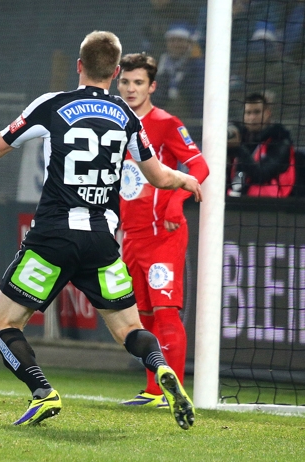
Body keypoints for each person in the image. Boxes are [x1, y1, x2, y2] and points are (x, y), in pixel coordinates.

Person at [0, 31, 201, 430]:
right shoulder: (127, 115)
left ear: (79, 65)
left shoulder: (53, 104)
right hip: (102, 242)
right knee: (130, 329)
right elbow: (157, 176)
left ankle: (42, 392)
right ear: (115, 71)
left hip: (53, 237)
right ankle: (159, 366)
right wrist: (184, 180)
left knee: (2, 325)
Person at [116, 53, 209, 408]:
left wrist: (175, 200)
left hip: (163, 234)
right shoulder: (114, 123)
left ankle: (172, 391)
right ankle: (153, 390)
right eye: (125, 81)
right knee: (141, 316)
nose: (130, 88)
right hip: (132, 236)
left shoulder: (166, 123)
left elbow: (199, 165)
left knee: (165, 309)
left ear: (152, 86)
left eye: (138, 82)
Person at [227, 92, 295, 197]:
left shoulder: (280, 142)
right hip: (237, 201)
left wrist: (239, 150)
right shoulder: (244, 139)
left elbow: (261, 175)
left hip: (269, 206)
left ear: (268, 113)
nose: (252, 118)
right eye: (248, 113)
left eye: (257, 112)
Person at [152, 23, 205, 122]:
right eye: (172, 40)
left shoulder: (198, 67)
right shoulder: (158, 66)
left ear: (189, 43)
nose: (176, 44)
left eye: (180, 40)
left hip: (190, 122)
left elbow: (198, 99)